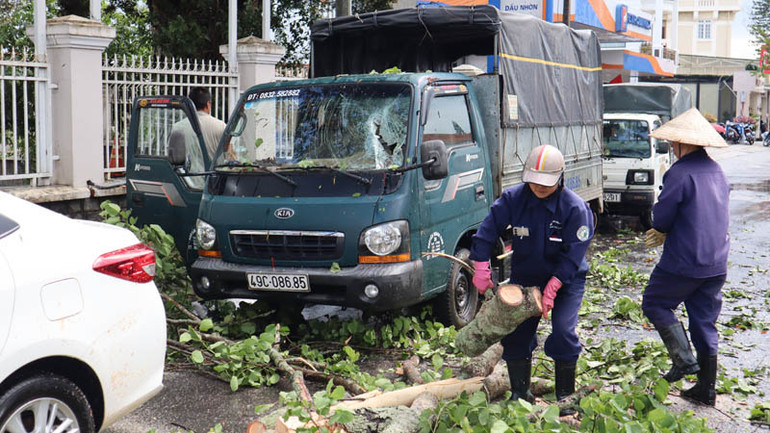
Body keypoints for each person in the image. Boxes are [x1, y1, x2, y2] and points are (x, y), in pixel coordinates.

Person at [470, 144, 594, 412]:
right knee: (515, 335)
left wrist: (554, 286)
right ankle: (520, 395)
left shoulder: (575, 209)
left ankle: (565, 399)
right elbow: (485, 233)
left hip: (566, 281)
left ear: (560, 177)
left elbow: (574, 255)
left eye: (545, 183)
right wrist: (480, 266)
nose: (539, 187)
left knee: (563, 332)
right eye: (534, 181)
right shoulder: (514, 199)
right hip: (525, 280)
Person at [642, 107, 730, 406]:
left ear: (681, 144)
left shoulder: (679, 172)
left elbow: (662, 219)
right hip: (716, 262)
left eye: (673, 144)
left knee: (655, 302)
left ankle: (684, 361)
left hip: (684, 261)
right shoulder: (717, 170)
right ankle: (706, 389)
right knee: (704, 323)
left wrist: (660, 226)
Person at [188, 87, 226, 159]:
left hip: (188, 170)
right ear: (208, 104)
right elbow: (230, 155)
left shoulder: (178, 127)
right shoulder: (221, 126)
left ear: (190, 104)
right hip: (215, 170)